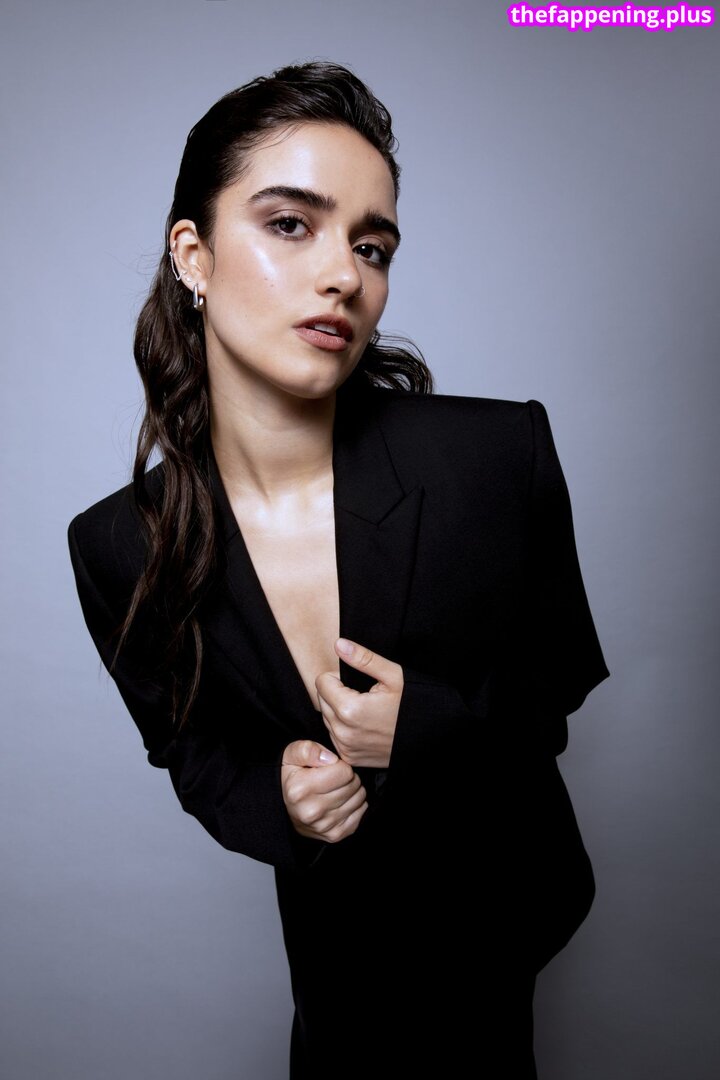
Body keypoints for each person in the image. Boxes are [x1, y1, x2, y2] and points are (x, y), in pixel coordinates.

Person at [67, 60, 610, 1078]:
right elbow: (191, 752)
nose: (345, 276)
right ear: (192, 254)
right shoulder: (118, 545)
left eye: (372, 246)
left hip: (502, 930)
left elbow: (558, 687)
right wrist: (276, 795)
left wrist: (425, 730)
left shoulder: (496, 459)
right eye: (290, 224)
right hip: (337, 971)